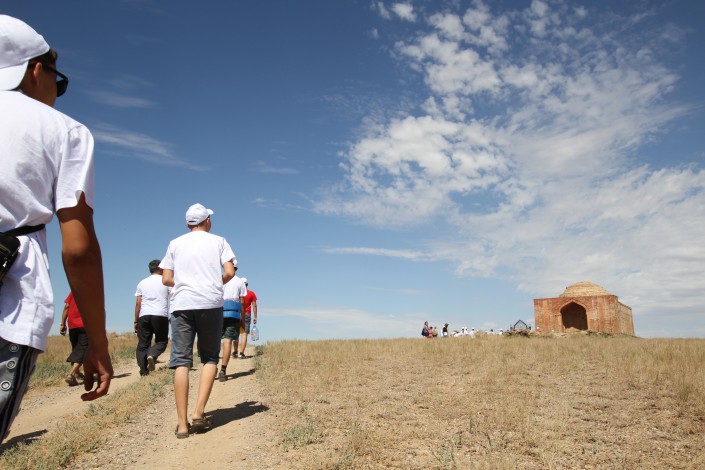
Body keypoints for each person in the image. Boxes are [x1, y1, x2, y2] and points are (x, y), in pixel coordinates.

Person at [0, 15, 113, 443]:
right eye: (57, 80)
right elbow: (78, 248)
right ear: (35, 70)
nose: (56, 91)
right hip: (11, 296)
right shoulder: (64, 131)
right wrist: (98, 344)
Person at [160, 203, 236, 438]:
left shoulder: (175, 243)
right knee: (210, 357)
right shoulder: (219, 241)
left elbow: (166, 278)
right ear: (208, 221)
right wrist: (211, 284)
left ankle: (182, 425)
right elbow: (230, 272)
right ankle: (198, 413)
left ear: (187, 223)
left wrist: (186, 283)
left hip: (182, 304)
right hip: (210, 303)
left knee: (181, 361)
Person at [134, 259, 170, 376]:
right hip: (160, 315)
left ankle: (144, 371)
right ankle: (152, 354)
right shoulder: (166, 281)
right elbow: (172, 297)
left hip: (144, 315)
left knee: (142, 344)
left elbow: (138, 303)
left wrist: (136, 320)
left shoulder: (142, 283)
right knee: (162, 341)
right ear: (161, 269)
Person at [218, 263, 246, 381]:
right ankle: (223, 370)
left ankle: (211, 366)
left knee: (215, 341)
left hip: (219, 312)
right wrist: (243, 319)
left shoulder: (219, 278)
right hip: (234, 314)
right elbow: (242, 302)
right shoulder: (240, 282)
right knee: (228, 342)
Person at [60, 292, 87, 386]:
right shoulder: (91, 291)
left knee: (76, 349)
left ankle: (77, 373)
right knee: (83, 349)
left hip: (72, 326)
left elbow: (67, 306)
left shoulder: (73, 291)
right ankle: (71, 375)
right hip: (85, 325)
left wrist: (63, 324)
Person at [237, 277, 257, 359]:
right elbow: (254, 306)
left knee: (236, 333)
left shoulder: (236, 293)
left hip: (236, 314)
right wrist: (255, 317)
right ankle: (241, 353)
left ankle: (235, 351)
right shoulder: (251, 293)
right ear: (247, 284)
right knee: (244, 334)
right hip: (246, 314)